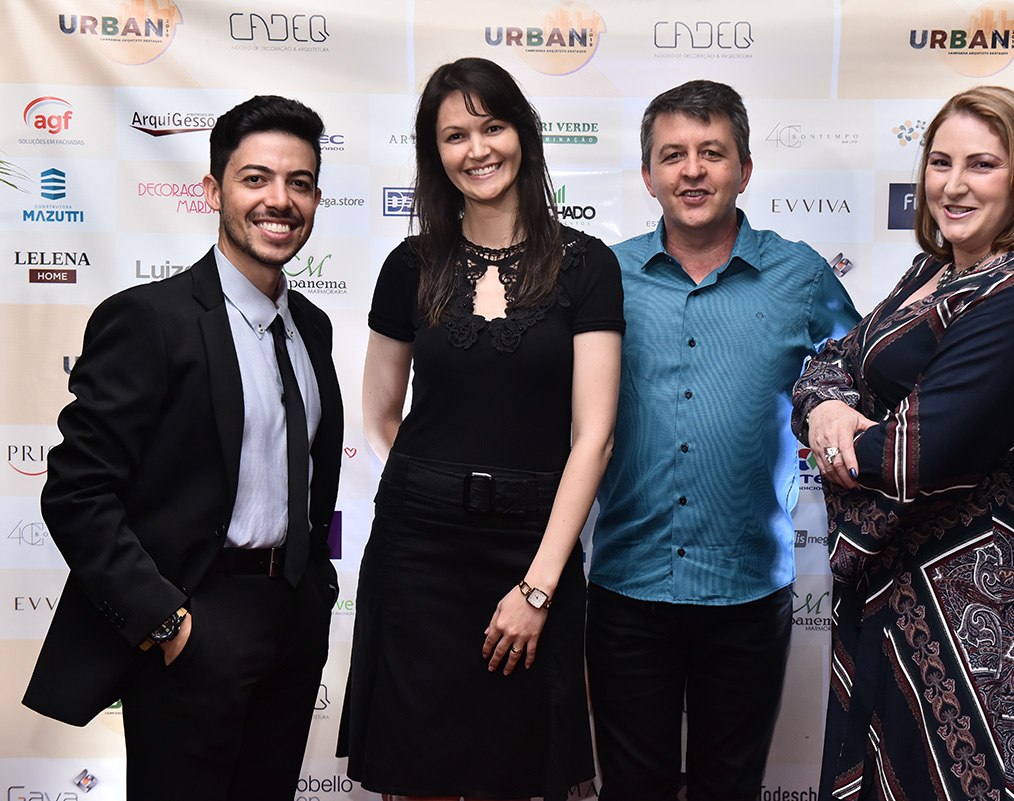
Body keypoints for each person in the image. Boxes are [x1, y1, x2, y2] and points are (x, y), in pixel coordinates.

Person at [23, 95, 344, 800]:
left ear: (317, 199)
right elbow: (77, 490)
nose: (279, 199)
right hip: (194, 621)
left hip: (292, 620)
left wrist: (315, 596)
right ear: (213, 190)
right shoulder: (149, 319)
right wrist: (166, 621)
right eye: (255, 178)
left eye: (298, 182)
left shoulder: (313, 327)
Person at [336, 57, 623, 801]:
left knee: (515, 772)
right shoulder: (410, 264)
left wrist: (538, 587)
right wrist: (435, 490)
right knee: (416, 773)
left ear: (522, 132)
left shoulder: (587, 265)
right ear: (435, 153)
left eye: (491, 126)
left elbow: (594, 436)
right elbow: (379, 414)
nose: (477, 149)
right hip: (417, 550)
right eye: (454, 135)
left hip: (533, 545)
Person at [792, 86, 1014, 801]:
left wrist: (838, 432)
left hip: (968, 595)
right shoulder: (934, 271)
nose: (953, 185)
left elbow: (912, 459)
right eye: (941, 162)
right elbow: (830, 361)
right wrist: (827, 405)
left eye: (982, 164)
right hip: (888, 584)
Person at [587, 79, 860, 801]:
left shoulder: (801, 276)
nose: (692, 171)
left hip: (748, 590)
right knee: (631, 792)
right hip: (626, 585)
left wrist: (837, 409)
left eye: (712, 152)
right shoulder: (603, 275)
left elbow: (861, 371)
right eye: (672, 154)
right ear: (647, 175)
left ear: (745, 168)